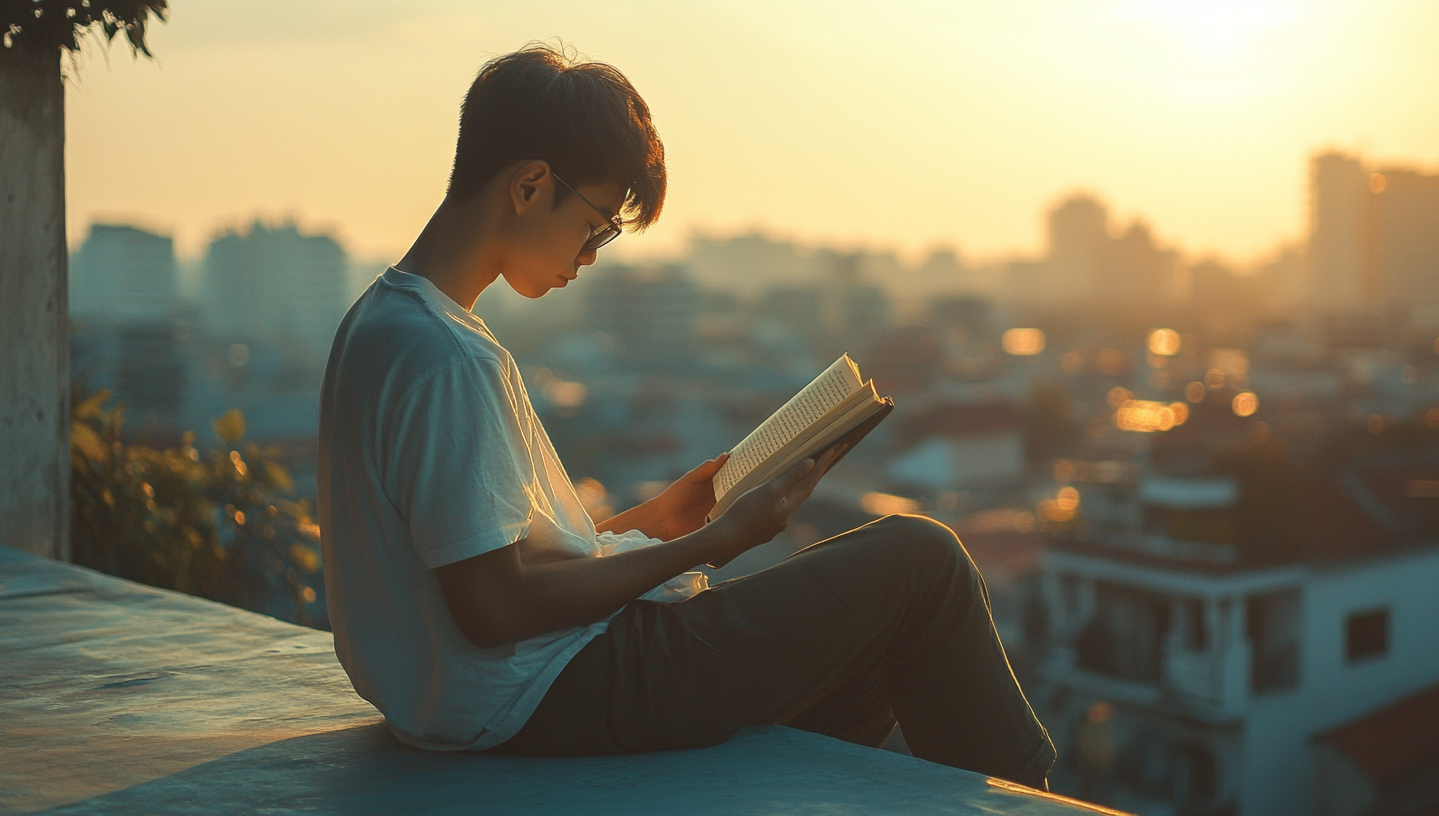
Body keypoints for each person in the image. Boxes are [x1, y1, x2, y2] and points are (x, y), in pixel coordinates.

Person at [317, 43, 1055, 789]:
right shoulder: (451, 359)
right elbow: (493, 607)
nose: (592, 255)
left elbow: (489, 561)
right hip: (546, 693)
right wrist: (715, 542)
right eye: (596, 224)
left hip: (472, 702)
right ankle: (1030, 805)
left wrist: (659, 521)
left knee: (865, 640)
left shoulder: (381, 323)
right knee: (921, 561)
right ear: (531, 185)